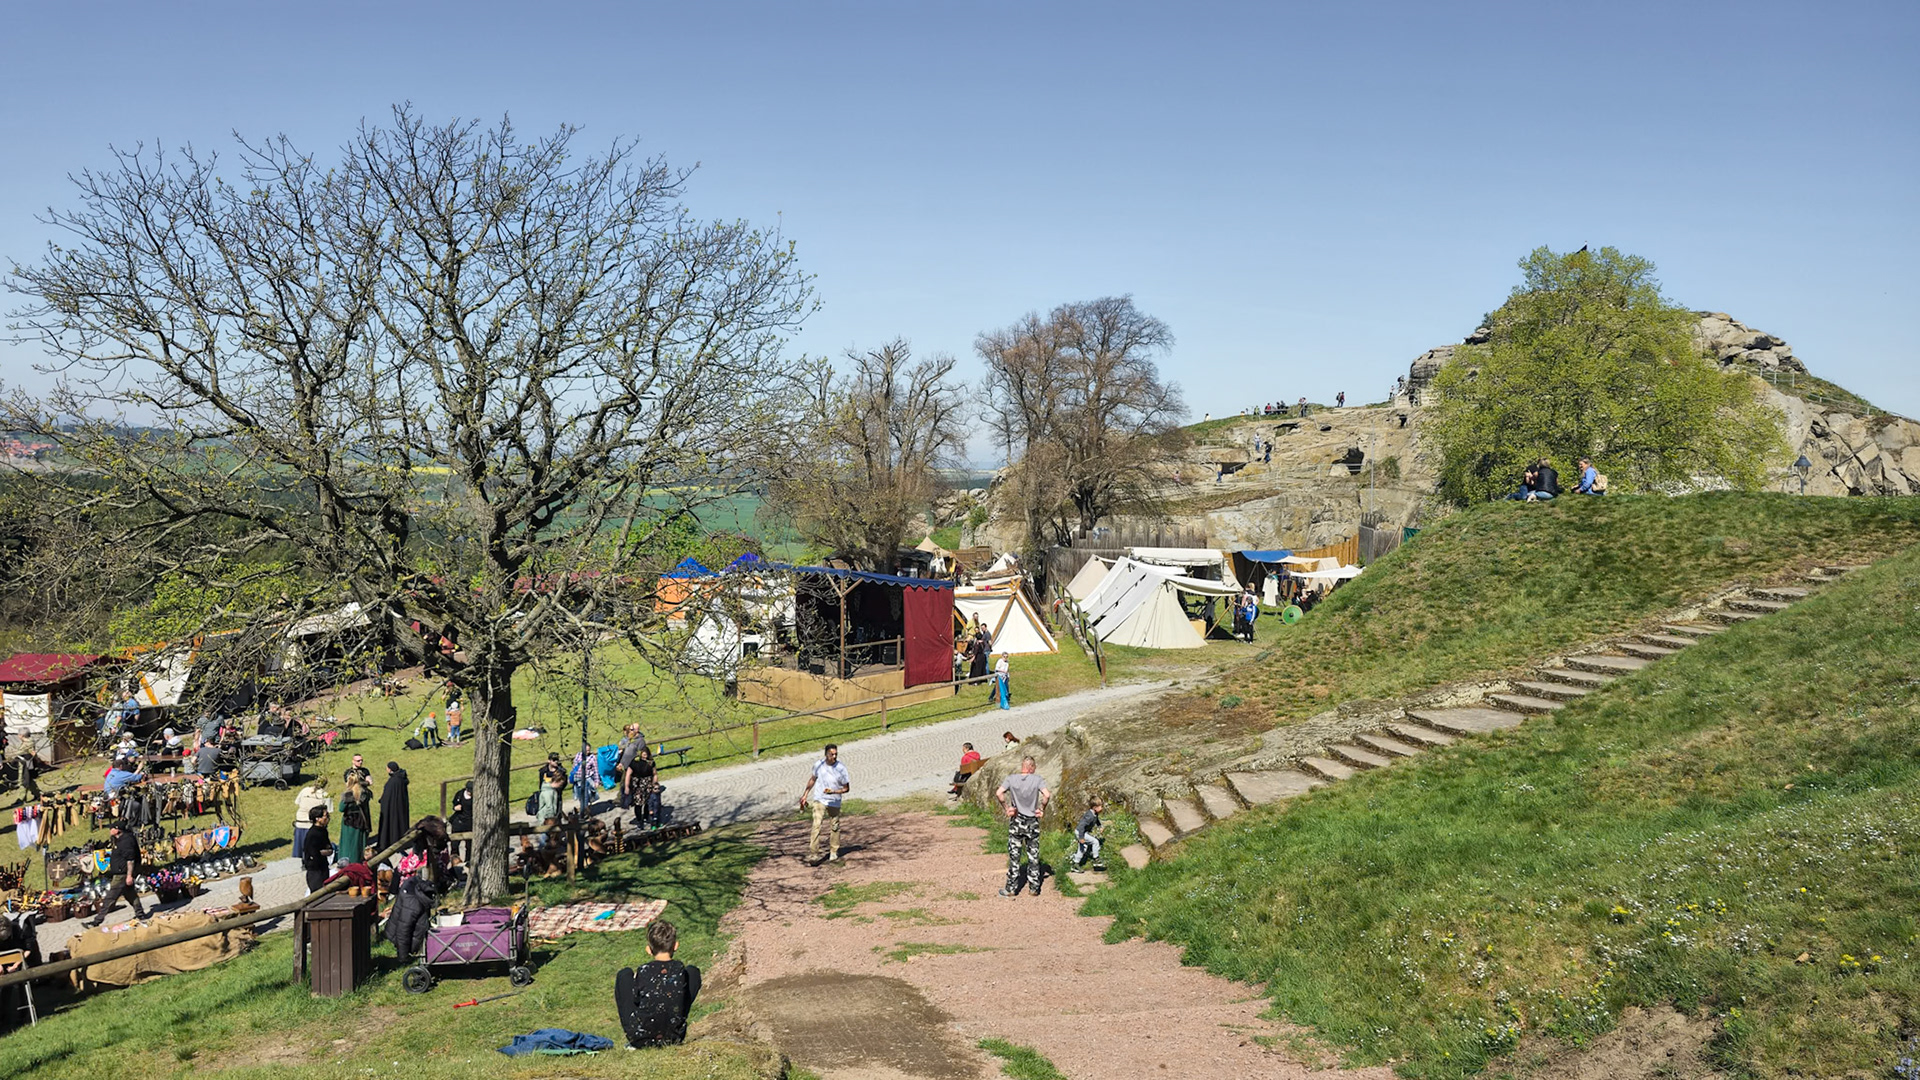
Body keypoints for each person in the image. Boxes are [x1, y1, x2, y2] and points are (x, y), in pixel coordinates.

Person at [614, 918, 703, 1048]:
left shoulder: (644, 971)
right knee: (693, 972)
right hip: (673, 1036)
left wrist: (636, 981)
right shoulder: (680, 971)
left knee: (624, 975)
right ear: (676, 945)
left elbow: (636, 998)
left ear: (648, 950)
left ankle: (635, 1034)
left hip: (640, 1037)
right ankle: (676, 1017)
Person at [996, 756, 1051, 897]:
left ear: (1023, 766)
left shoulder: (1011, 779)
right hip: (1032, 821)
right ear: (1031, 767)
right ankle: (1034, 888)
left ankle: (1011, 888)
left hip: (1017, 821)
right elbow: (1047, 794)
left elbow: (999, 793)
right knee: (1033, 855)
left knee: (1014, 855)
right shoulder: (1037, 779)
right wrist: (1042, 808)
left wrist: (1006, 808)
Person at [86, 822, 148, 926]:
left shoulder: (126, 841)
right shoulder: (120, 839)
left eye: (111, 828)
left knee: (110, 898)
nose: (110, 830)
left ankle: (97, 921)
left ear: (117, 829)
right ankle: (140, 914)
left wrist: (129, 875)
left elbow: (130, 860)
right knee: (131, 895)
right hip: (120, 872)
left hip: (122, 874)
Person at [800, 743, 850, 865]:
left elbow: (846, 788)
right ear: (826, 754)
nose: (834, 756)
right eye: (831, 754)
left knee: (834, 825)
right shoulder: (819, 765)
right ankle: (814, 853)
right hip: (819, 799)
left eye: (836, 754)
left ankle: (834, 850)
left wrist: (834, 791)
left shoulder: (841, 769)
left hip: (834, 800)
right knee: (816, 824)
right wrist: (805, 794)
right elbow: (813, 779)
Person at [376, 761, 411, 859]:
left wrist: (381, 801)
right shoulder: (401, 778)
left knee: (391, 824)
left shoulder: (392, 782)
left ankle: (390, 841)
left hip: (392, 807)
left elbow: (387, 796)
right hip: (400, 805)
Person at [337, 775, 373, 865]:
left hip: (349, 822)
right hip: (360, 820)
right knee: (359, 843)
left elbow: (341, 808)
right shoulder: (364, 793)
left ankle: (346, 862)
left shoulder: (348, 795)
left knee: (347, 844)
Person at [292, 776, 330, 859]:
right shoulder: (325, 795)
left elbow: (297, 802)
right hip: (313, 826)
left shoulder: (304, 790)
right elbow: (328, 811)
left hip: (300, 823)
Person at [302, 805, 335, 893]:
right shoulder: (313, 834)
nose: (328, 818)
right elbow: (313, 852)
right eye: (326, 816)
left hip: (323, 866)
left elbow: (328, 846)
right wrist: (325, 852)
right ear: (318, 818)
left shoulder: (323, 830)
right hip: (315, 870)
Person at [629, 745, 661, 829]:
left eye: (645, 754)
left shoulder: (651, 763)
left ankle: (647, 817)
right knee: (638, 803)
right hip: (638, 785)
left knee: (648, 802)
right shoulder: (634, 763)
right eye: (643, 753)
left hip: (648, 784)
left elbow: (655, 774)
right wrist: (627, 786)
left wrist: (655, 784)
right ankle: (639, 820)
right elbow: (629, 774)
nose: (644, 755)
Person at [1071, 796, 1106, 871]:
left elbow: (1096, 819)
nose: (1102, 808)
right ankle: (1096, 859)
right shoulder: (1089, 816)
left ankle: (1075, 864)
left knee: (1082, 849)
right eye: (1100, 806)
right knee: (1095, 842)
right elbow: (1081, 826)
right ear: (1094, 807)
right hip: (1080, 832)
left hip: (1082, 832)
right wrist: (1081, 837)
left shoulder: (1094, 814)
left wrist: (1100, 826)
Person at [537, 752, 566, 825]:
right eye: (554, 760)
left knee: (557, 814)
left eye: (557, 760)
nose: (556, 761)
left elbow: (564, 783)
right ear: (549, 761)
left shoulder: (561, 771)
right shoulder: (543, 771)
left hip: (557, 796)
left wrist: (558, 789)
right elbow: (540, 783)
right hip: (546, 794)